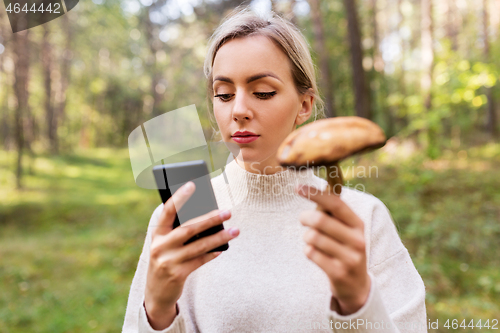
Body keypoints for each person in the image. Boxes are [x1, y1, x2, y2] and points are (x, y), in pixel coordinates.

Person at [122, 5, 427, 333]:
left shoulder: (362, 217)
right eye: (223, 95)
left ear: (305, 105)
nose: (238, 110)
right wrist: (157, 310)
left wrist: (358, 302)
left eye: (263, 92)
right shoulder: (185, 211)